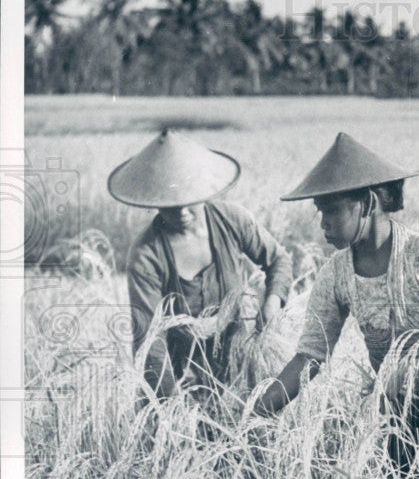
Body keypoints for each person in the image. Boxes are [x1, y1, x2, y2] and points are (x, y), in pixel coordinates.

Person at [253, 133, 419, 479]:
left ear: (366, 203)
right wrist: (258, 410)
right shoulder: (335, 274)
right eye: (320, 212)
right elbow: (310, 356)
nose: (323, 224)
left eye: (331, 211)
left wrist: (407, 369)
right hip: (400, 426)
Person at [112, 130, 293, 398]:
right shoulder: (146, 254)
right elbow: (151, 342)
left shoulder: (231, 221)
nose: (182, 213)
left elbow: (278, 259)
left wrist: (272, 303)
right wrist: (173, 409)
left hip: (241, 367)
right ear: (155, 201)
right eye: (171, 205)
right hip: (180, 379)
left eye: (189, 201)